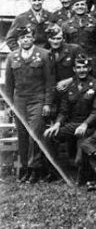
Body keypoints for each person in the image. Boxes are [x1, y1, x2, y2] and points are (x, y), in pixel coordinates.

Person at [6, 26, 55, 183]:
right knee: (22, 135)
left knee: (35, 134)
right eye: (22, 38)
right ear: (18, 40)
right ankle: (25, 169)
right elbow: (9, 85)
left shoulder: (44, 55)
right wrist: (10, 105)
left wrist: (47, 103)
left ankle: (35, 169)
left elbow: (50, 82)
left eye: (28, 37)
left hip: (37, 100)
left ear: (33, 38)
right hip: (19, 101)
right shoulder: (12, 57)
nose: (25, 40)